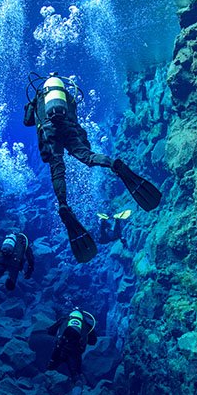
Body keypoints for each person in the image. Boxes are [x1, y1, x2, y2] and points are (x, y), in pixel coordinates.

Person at [23, 72, 162, 263]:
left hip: (49, 129)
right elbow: (75, 119)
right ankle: (114, 164)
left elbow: (28, 121)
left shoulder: (40, 97)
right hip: (70, 128)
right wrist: (85, 146)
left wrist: (31, 106)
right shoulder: (68, 96)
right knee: (88, 157)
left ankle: (63, 203)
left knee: (57, 167)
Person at [46, 307, 97, 378]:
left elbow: (50, 331)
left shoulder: (64, 319)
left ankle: (49, 370)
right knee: (75, 369)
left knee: (53, 363)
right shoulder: (86, 325)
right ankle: (77, 378)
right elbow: (93, 342)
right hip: (76, 350)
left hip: (61, 347)